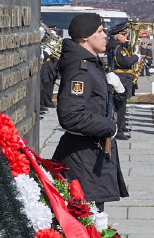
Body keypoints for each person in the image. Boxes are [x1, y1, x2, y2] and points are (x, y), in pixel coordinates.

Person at [52, 13, 128, 208]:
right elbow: (71, 116)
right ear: (85, 37)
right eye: (100, 31)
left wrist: (119, 92)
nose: (105, 36)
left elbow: (100, 104)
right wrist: (109, 126)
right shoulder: (80, 69)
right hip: (83, 157)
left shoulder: (91, 63)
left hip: (91, 152)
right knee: (87, 221)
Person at [106, 23, 137, 140]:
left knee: (122, 106)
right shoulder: (118, 48)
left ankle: (121, 126)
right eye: (124, 35)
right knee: (120, 106)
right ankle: (118, 131)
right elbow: (126, 62)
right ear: (118, 36)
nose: (126, 37)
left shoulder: (118, 46)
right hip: (121, 77)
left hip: (122, 77)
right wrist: (135, 57)